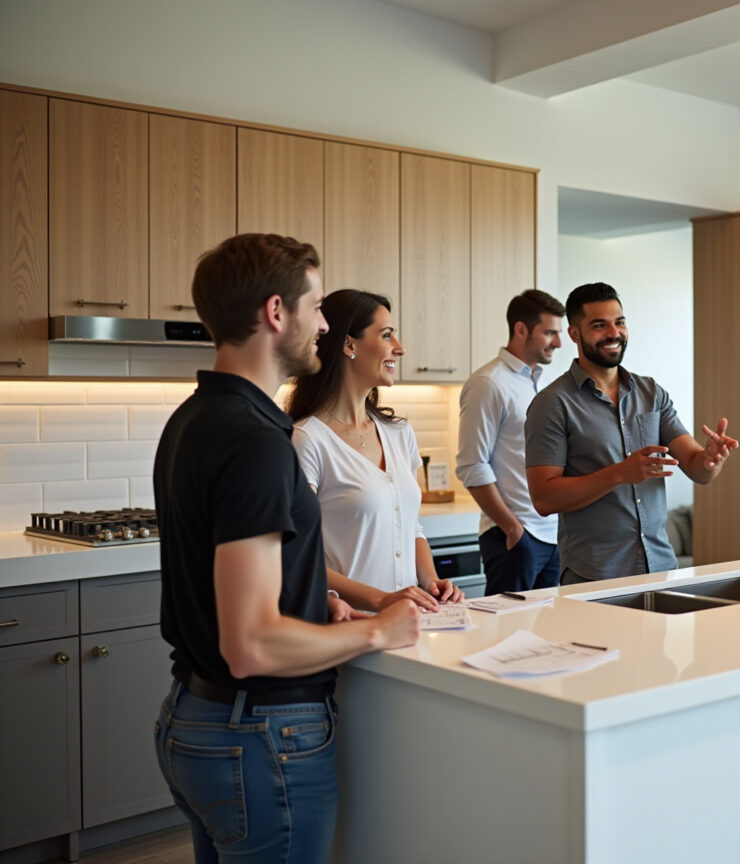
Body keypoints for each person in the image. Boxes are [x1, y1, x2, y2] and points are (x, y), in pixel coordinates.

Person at [153, 234, 420, 864]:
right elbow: (252, 644)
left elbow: (235, 593)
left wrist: (314, 602)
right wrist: (380, 630)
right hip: (260, 733)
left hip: (194, 717)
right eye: (318, 306)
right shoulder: (256, 440)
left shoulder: (194, 419)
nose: (324, 325)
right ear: (278, 313)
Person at [525, 282, 738, 582]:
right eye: (599, 325)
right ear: (575, 334)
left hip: (660, 569)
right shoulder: (552, 404)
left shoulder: (652, 393)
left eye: (619, 322)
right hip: (594, 578)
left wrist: (712, 458)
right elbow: (544, 498)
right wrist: (620, 473)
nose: (614, 333)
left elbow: (697, 469)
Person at [286, 288, 463, 611]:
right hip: (349, 625)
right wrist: (382, 601)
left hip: (409, 621)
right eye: (387, 335)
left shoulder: (399, 433)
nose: (400, 348)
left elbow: (412, 527)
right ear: (349, 344)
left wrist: (430, 582)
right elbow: (296, 557)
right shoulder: (306, 440)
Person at [457, 289, 567, 593]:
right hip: (516, 537)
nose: (558, 342)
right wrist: (512, 528)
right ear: (521, 330)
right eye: (549, 333)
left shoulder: (545, 384)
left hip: (553, 536)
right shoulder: (488, 384)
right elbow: (472, 466)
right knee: (505, 634)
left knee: (548, 633)